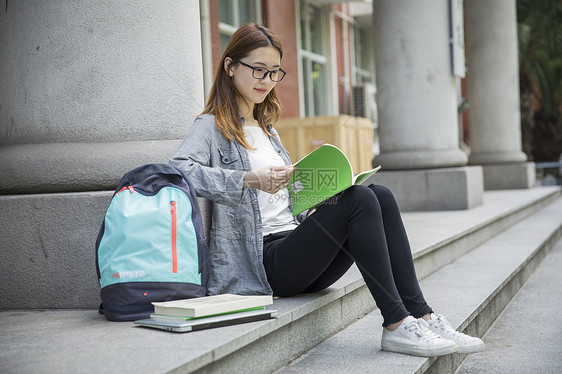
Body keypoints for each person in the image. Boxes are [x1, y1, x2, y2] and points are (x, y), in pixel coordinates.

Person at [169, 23, 484, 357]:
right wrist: (250, 180)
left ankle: (423, 315)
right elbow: (179, 171)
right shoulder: (211, 126)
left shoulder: (268, 130)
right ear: (230, 67)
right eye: (258, 70)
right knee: (360, 200)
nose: (266, 81)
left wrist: (313, 204)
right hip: (263, 263)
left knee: (379, 194)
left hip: (296, 247)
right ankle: (396, 324)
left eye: (274, 72)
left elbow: (281, 204)